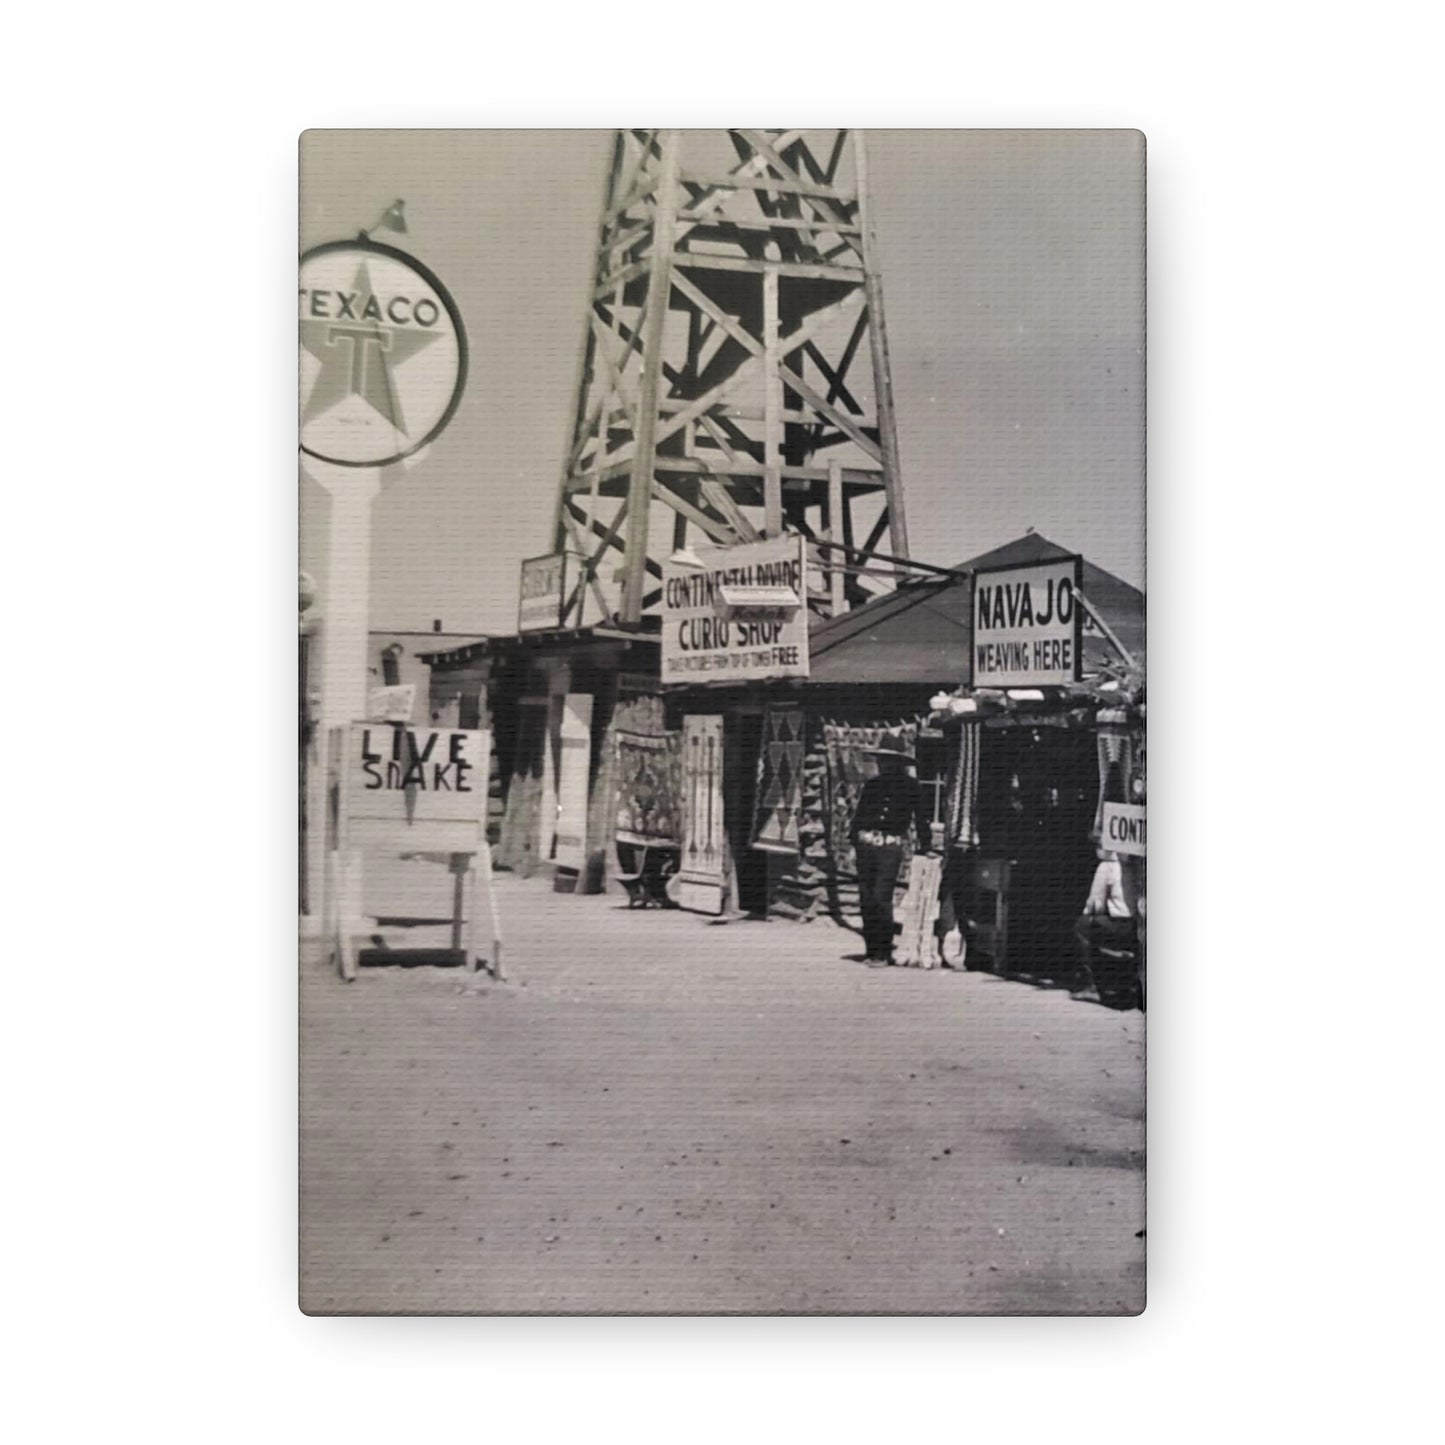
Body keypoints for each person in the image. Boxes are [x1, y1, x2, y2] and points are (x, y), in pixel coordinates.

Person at [849, 738, 933, 965]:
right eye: (881, 761)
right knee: (866, 898)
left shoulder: (911, 787)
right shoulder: (873, 785)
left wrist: (927, 846)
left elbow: (921, 818)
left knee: (881, 897)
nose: (883, 765)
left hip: (890, 845)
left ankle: (883, 951)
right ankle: (871, 949)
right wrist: (854, 841)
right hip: (867, 843)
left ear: (898, 763)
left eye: (888, 761)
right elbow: (859, 815)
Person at [1071, 849, 1144, 1008]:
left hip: (1120, 926)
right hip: (1137, 926)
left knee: (1082, 925)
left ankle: (1091, 985)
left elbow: (1095, 904)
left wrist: (1090, 912)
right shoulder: (1136, 865)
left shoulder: (1107, 866)